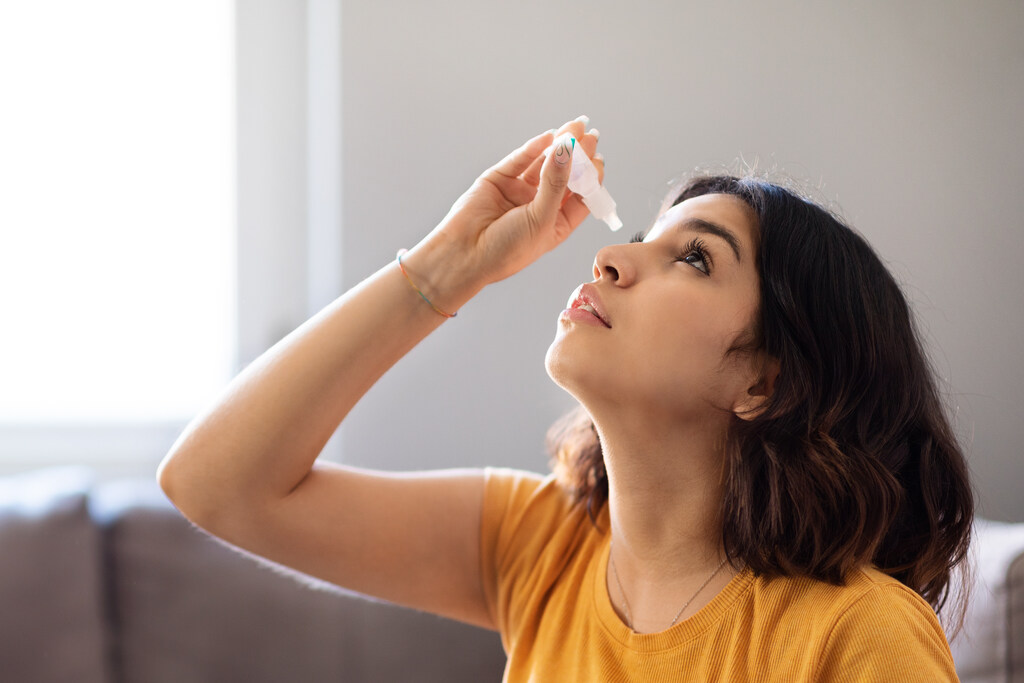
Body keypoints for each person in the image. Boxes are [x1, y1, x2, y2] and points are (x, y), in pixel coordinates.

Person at [157, 116, 973, 681]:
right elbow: (216, 484)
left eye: (694, 259)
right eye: (641, 237)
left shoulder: (858, 636)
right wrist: (449, 265)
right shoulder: (543, 549)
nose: (612, 257)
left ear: (763, 380)